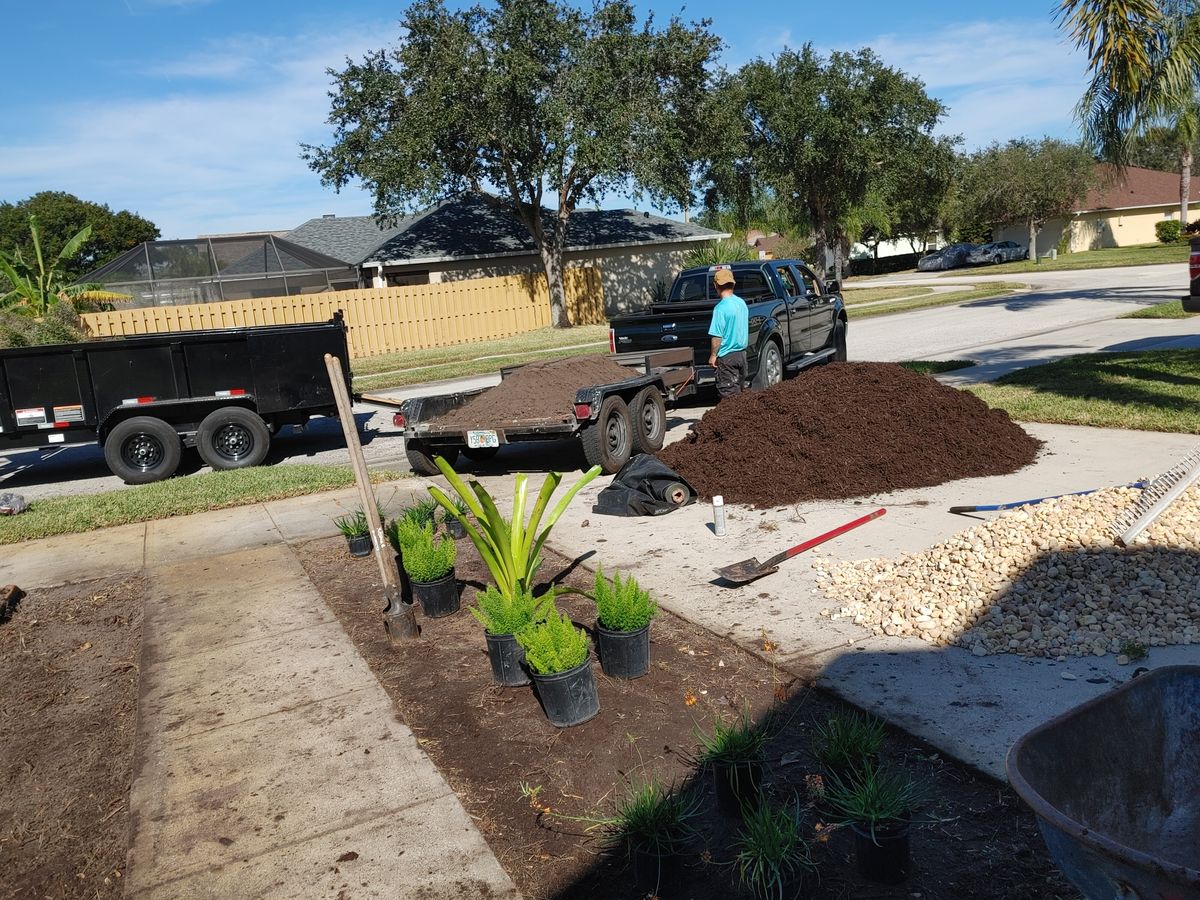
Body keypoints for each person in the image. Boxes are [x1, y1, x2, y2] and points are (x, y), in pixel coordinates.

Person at [707, 268, 749, 399]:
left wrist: (713, 355)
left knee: (729, 398)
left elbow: (717, 336)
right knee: (739, 396)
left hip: (727, 357)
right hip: (742, 355)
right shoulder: (741, 303)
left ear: (716, 285)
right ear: (733, 283)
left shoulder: (720, 308)